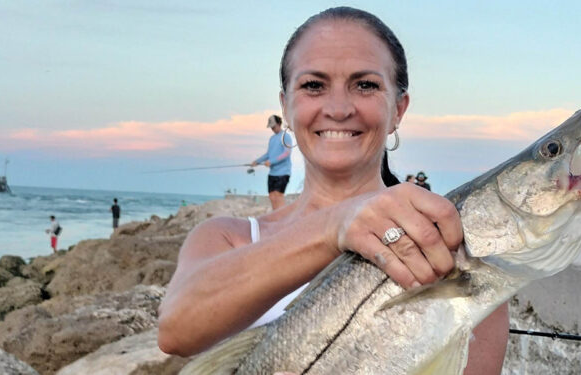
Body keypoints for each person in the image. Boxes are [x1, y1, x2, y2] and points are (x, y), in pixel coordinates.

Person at [158, 7, 508, 374]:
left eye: (366, 85)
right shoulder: (226, 237)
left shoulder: (446, 254)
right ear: (286, 108)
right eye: (313, 85)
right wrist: (334, 225)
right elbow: (176, 330)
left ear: (398, 110)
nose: (339, 108)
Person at [251, 115, 292, 210]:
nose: (272, 129)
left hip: (283, 172)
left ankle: (281, 219)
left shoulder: (285, 136)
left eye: (273, 126)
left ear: (279, 124)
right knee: (272, 197)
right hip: (272, 173)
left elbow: (287, 153)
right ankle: (276, 216)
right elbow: (268, 154)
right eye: (271, 127)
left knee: (278, 196)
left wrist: (271, 161)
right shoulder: (272, 139)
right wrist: (257, 162)